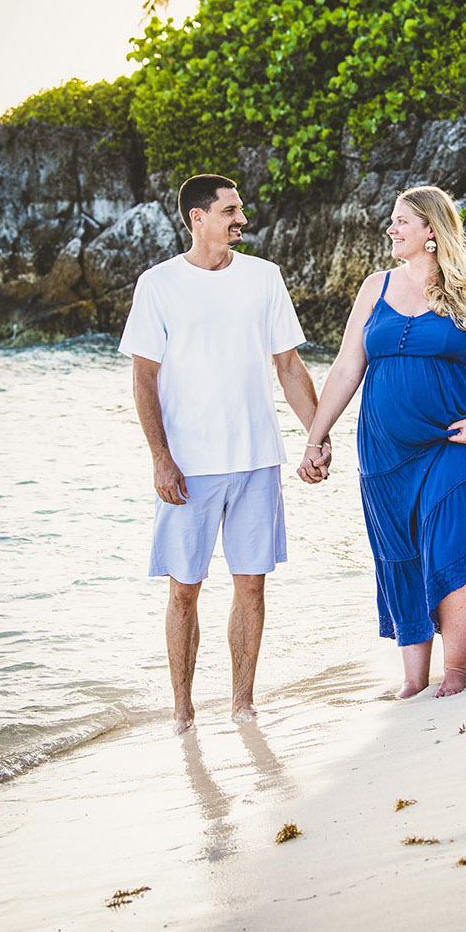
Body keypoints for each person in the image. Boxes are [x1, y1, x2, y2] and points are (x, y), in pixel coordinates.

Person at [301, 185, 466, 699]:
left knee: (450, 545)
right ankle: (412, 677)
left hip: (454, 441)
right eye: (392, 221)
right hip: (384, 453)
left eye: (401, 221)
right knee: (401, 553)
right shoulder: (374, 286)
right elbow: (345, 368)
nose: (392, 229)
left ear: (431, 229)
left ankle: (455, 666)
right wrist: (315, 437)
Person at [122, 174, 322, 732]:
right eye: (230, 211)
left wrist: (317, 435)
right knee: (184, 590)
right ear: (197, 218)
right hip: (189, 466)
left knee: (251, 583)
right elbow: (143, 378)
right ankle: (183, 710)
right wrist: (161, 457)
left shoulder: (264, 278)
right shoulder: (158, 284)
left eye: (239, 210)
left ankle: (242, 704)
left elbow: (289, 366)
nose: (241, 219)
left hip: (258, 458)